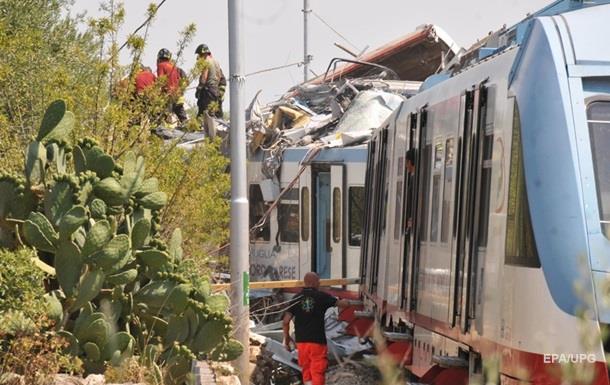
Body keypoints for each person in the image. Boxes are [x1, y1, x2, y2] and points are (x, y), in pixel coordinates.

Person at [283, 272, 349, 385]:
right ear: (314, 283)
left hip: (301, 342)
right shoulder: (322, 297)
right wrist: (347, 301)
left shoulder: (296, 298)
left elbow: (285, 321)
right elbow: (342, 304)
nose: (319, 284)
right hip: (317, 342)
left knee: (306, 370)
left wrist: (287, 339)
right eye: (318, 282)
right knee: (317, 371)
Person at [194, 43, 226, 119]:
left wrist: (199, 88)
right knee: (216, 113)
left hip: (208, 91)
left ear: (202, 54)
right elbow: (219, 76)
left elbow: (204, 77)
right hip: (216, 90)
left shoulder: (206, 62)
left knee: (205, 113)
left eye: (199, 55)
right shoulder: (216, 62)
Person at [156, 48, 188, 123]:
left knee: (162, 115)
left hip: (168, 95)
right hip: (177, 94)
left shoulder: (161, 65)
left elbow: (161, 80)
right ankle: (188, 127)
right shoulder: (174, 67)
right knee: (181, 115)